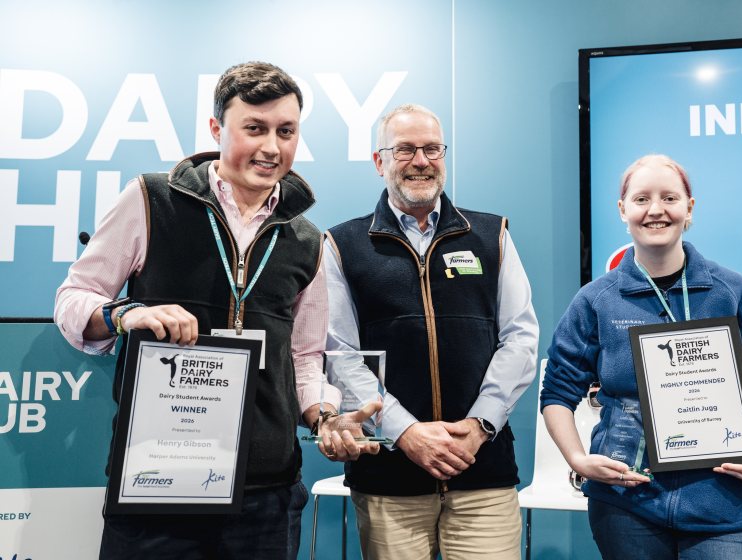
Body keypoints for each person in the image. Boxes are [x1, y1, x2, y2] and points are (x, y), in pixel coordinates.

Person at [54, 61, 378, 560]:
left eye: (286, 131)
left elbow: (305, 358)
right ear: (216, 129)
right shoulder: (152, 199)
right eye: (255, 128)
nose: (272, 147)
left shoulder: (310, 242)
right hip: (156, 484)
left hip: (266, 495)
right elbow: (74, 298)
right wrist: (126, 313)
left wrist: (325, 417)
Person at [540, 154, 742, 559]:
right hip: (627, 503)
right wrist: (577, 459)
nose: (656, 210)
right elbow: (557, 391)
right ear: (623, 209)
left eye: (669, 198)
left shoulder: (734, 292)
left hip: (724, 504)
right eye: (642, 199)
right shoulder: (596, 301)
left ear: (689, 208)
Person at [323, 103, 539, 559]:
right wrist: (404, 433)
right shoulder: (342, 244)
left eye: (432, 149)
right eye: (405, 150)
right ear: (379, 161)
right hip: (389, 480)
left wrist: (480, 426)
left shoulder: (490, 234)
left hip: (482, 472)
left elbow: (520, 336)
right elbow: (339, 352)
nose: (421, 160)